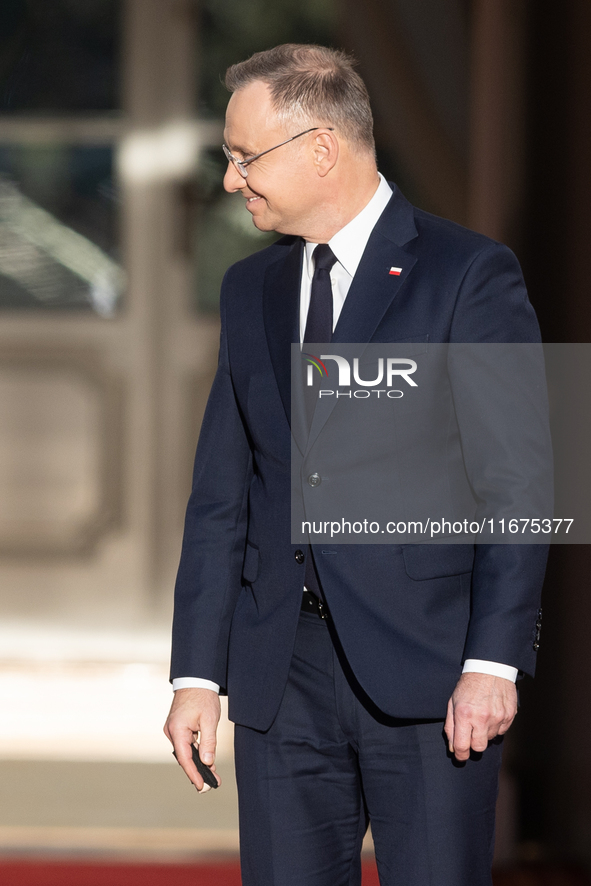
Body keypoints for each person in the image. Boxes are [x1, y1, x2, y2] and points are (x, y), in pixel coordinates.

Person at [164, 43, 548, 886]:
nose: (230, 180)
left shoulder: (469, 275)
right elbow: (221, 496)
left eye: (243, 157)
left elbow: (519, 484)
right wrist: (197, 673)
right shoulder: (247, 290)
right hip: (278, 683)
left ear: (321, 149)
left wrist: (491, 664)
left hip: (431, 681)